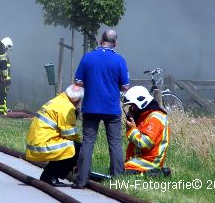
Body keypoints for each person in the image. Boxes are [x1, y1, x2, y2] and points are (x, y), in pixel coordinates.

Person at [72, 29, 130, 189]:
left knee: (88, 142)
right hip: (112, 109)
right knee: (115, 143)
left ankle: (81, 180)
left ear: (100, 40)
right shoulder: (119, 60)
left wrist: (91, 83)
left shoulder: (88, 58)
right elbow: (125, 86)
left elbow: (78, 82)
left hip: (90, 107)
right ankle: (118, 180)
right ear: (115, 43)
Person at [26, 84, 83, 187]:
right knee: (75, 147)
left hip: (35, 144)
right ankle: (51, 177)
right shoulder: (67, 108)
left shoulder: (59, 100)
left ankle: (47, 175)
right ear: (76, 99)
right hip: (42, 146)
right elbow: (70, 134)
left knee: (66, 145)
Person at [123, 86, 171, 176]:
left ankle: (158, 174)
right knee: (117, 169)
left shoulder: (155, 117)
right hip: (141, 159)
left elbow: (145, 143)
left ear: (141, 102)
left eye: (134, 105)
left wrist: (132, 129)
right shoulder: (143, 116)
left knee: (121, 172)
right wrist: (131, 127)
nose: (132, 109)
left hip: (150, 161)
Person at [0, 36, 13, 114]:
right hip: (4, 80)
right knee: (3, 95)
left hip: (2, 79)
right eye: (8, 48)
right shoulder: (4, 56)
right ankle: (3, 111)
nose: (8, 51)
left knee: (2, 95)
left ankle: (3, 109)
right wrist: (7, 80)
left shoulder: (1, 55)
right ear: (7, 46)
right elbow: (6, 70)